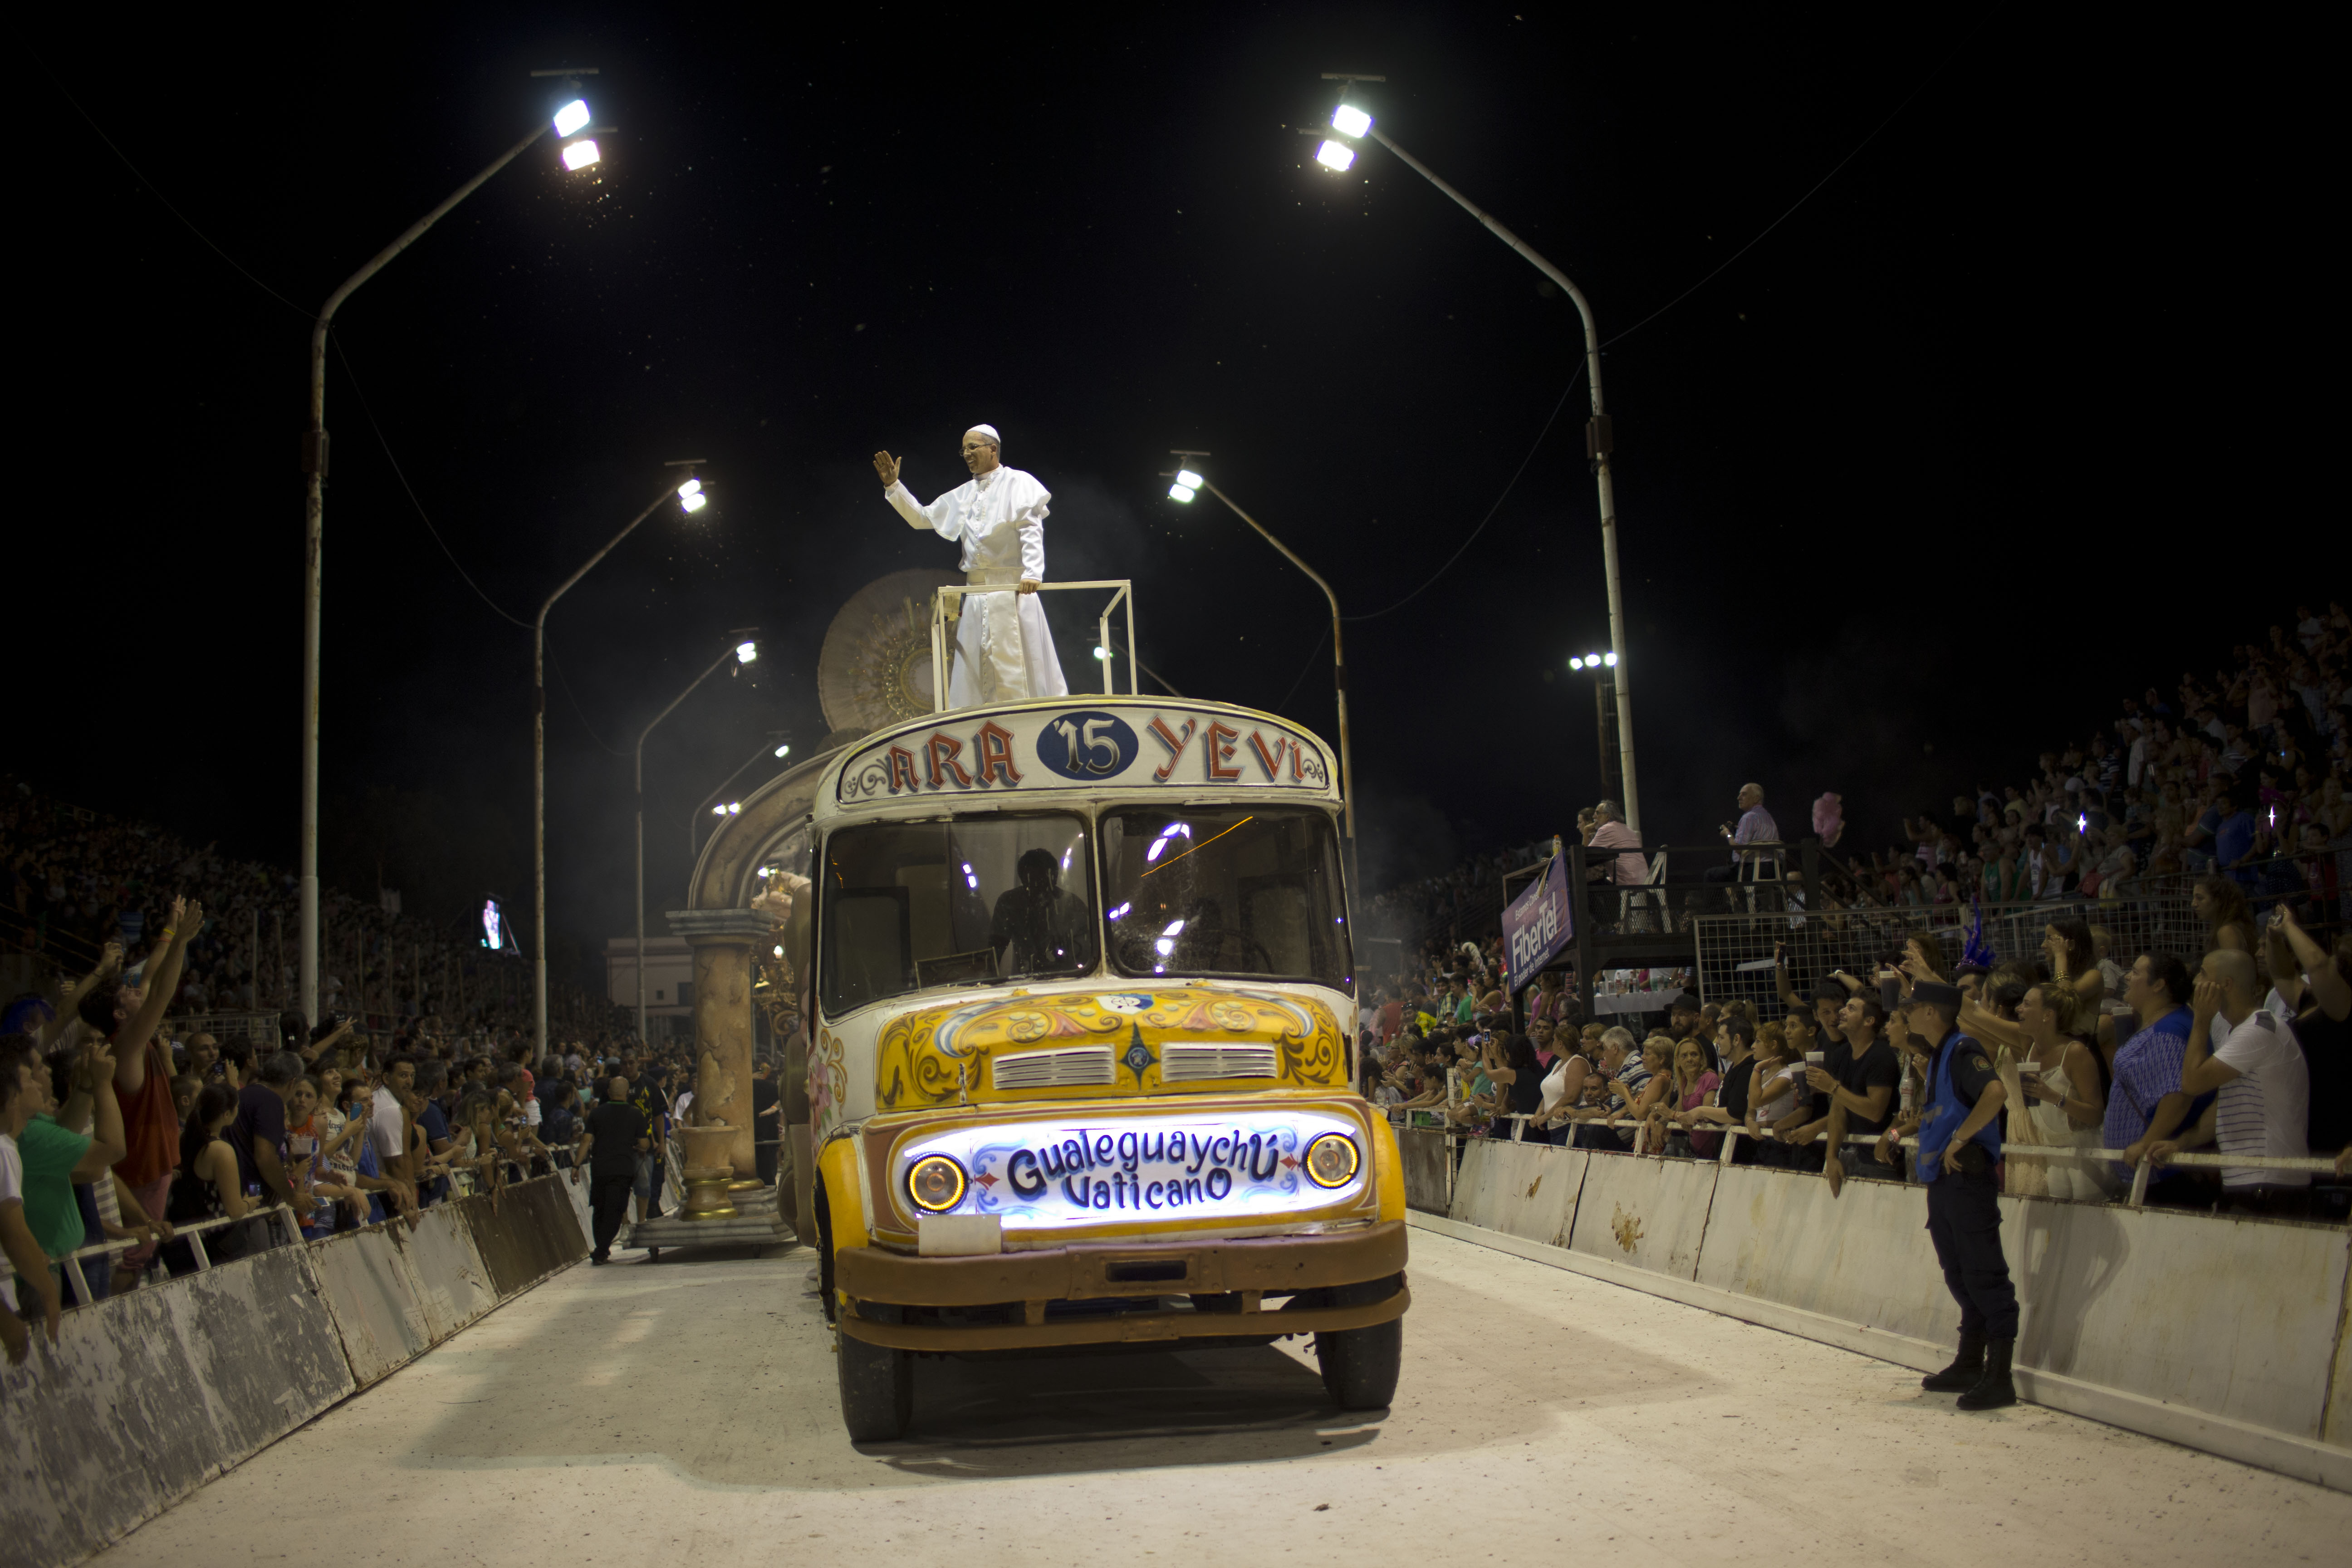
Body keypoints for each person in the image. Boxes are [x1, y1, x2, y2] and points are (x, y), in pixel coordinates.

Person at [872, 424, 1068, 706]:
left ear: (993, 449)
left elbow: (1030, 529)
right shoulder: (964, 493)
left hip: (1014, 590)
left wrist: (1033, 572)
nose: (967, 454)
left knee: (1025, 667)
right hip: (976, 595)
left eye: (973, 447)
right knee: (975, 670)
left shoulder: (1020, 483)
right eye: (964, 449)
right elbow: (922, 519)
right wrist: (894, 486)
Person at [1890, 981, 2016, 1411]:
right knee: (1960, 1274)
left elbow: (1995, 1093)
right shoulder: (1941, 1054)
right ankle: (1969, 1362)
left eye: (1912, 1008)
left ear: (1932, 1011)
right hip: (1945, 1183)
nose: (1907, 1015)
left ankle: (2000, 1376)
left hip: (1966, 1180)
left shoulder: (1963, 1049)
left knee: (1984, 1274)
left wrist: (1962, 1139)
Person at [2152, 949, 2310, 1215]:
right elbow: (2221, 1105)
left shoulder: (2259, 1030)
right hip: (2247, 1178)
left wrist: (2201, 1020)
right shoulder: (2235, 1031)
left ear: (2225, 984)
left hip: (2269, 1182)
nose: (2195, 981)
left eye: (2202, 973)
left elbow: (2192, 1083)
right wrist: (2181, 1143)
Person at [2, 1035, 62, 1362]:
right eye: (28, 1079)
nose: (40, 1082)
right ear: (10, 1095)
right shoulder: (2, 1150)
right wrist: (49, 1294)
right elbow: (13, 1233)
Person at [990, 847, 1093, 976]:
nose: (1040, 891)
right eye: (1033, 883)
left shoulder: (1072, 905)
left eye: (1044, 883)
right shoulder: (1010, 903)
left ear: (1055, 878)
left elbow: (1089, 953)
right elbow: (995, 949)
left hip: (1068, 978)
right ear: (1023, 880)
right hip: (1029, 978)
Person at [580, 1075, 650, 1264]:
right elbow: (644, 1143)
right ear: (628, 1094)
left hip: (600, 1168)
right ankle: (602, 1250)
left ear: (609, 1093)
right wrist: (639, 1146)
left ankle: (601, 1250)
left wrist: (576, 1165)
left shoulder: (596, 1114)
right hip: (623, 1168)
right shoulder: (636, 1114)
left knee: (600, 1209)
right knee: (616, 1210)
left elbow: (586, 1141)